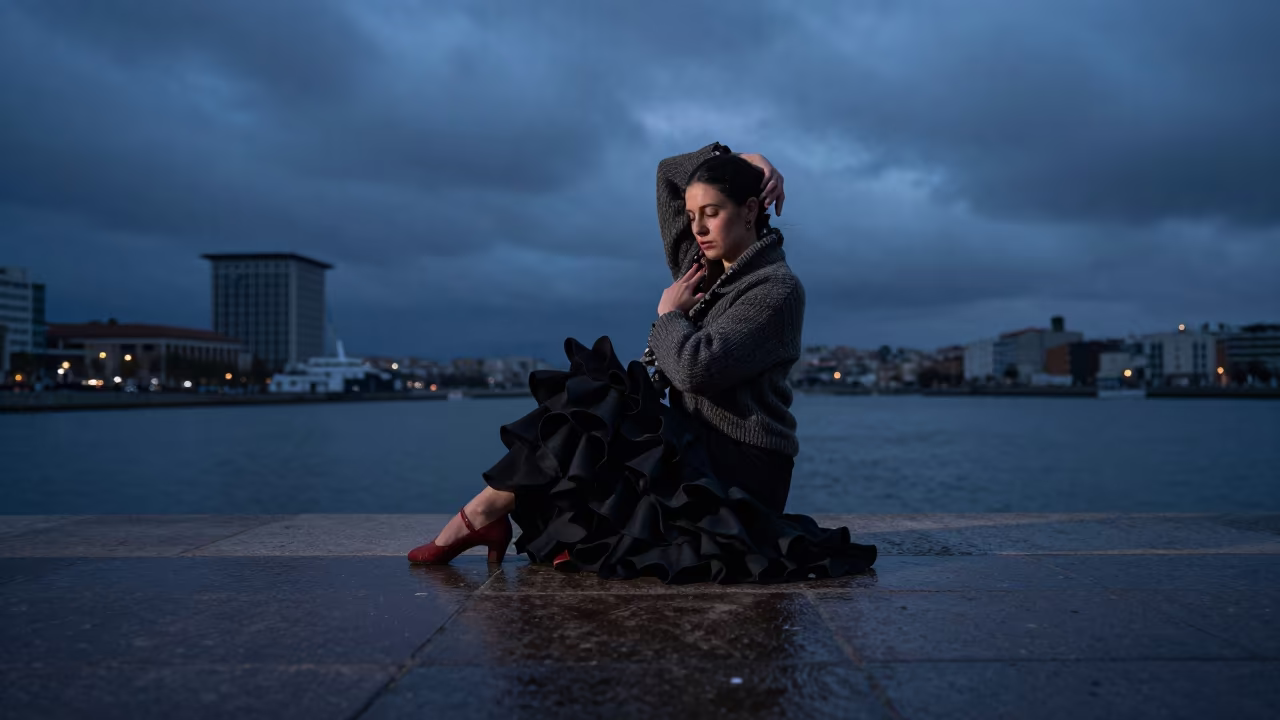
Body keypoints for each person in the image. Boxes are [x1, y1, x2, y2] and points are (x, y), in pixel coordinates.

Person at [407, 142, 878, 584]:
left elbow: (696, 370)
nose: (697, 228)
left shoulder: (776, 289)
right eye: (693, 215)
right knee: (593, 397)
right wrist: (742, 157)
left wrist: (670, 315)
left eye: (711, 214)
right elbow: (668, 174)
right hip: (691, 444)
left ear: (751, 210)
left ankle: (482, 517)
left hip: (742, 463)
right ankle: (486, 515)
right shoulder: (699, 267)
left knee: (601, 397)